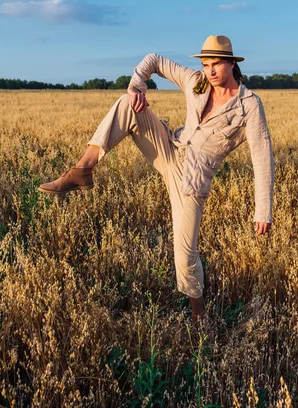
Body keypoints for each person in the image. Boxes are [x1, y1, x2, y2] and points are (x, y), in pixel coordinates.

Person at [39, 35, 274, 322]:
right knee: (128, 104)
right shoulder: (196, 81)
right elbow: (155, 60)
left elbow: (262, 158)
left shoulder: (249, 105)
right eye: (205, 64)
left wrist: (263, 211)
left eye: (215, 64)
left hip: (192, 181)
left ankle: (199, 315)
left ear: (231, 64)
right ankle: (82, 170)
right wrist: (138, 84)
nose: (209, 71)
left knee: (185, 256)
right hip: (168, 149)